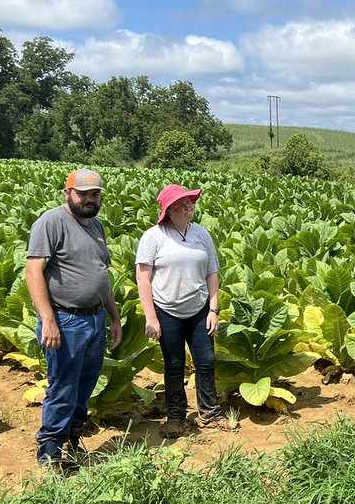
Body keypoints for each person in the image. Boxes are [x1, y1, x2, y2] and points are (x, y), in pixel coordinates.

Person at [26, 168, 123, 470]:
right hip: (66, 321)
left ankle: (73, 439)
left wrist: (115, 319)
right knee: (63, 387)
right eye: (83, 193)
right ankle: (49, 454)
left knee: (85, 384)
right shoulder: (51, 222)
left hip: (94, 321)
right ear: (68, 193)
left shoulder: (97, 226)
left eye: (95, 194)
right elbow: (33, 272)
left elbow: (100, 276)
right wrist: (49, 320)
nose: (90, 199)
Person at [136, 183, 233, 435]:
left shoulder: (201, 234)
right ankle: (176, 418)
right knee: (174, 364)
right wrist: (151, 317)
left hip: (200, 309)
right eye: (181, 204)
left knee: (206, 361)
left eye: (189, 201)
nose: (188, 206)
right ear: (168, 211)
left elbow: (212, 272)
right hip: (167, 311)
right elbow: (143, 278)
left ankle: (209, 413)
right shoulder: (153, 237)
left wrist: (213, 309)